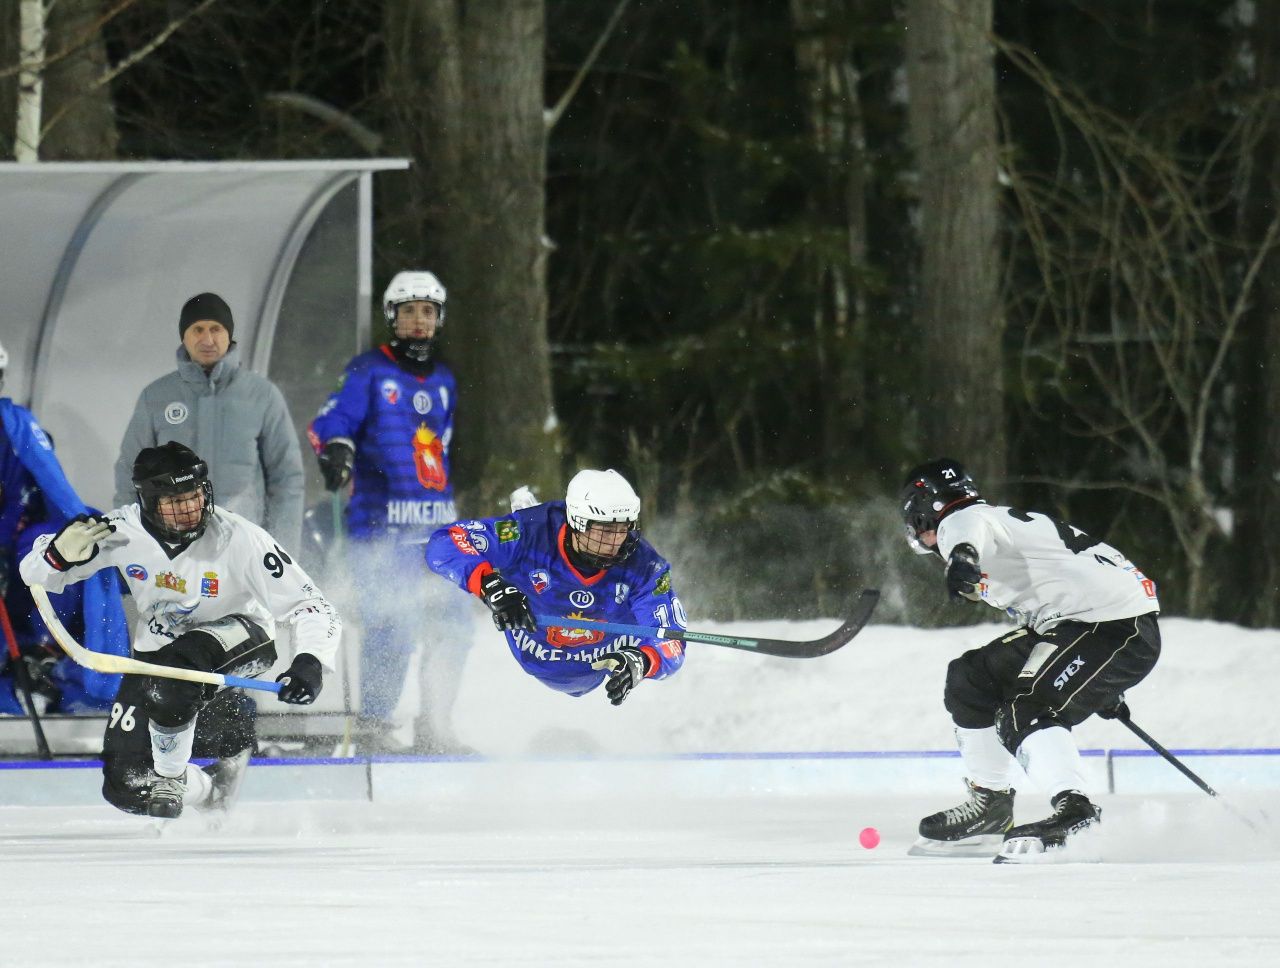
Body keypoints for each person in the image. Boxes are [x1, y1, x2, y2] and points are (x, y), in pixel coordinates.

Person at [21, 441, 339, 820]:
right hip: (159, 658)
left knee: (180, 668)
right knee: (124, 783)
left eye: (194, 497)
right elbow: (33, 574)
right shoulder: (120, 531)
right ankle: (212, 789)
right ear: (147, 502)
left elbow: (312, 604)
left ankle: (170, 777)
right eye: (175, 502)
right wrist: (56, 553)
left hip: (245, 638)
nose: (190, 510)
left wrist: (311, 660)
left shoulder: (241, 537)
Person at [899, 458, 1161, 863]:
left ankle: (1077, 812)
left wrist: (963, 559)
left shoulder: (960, 519)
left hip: (1105, 625)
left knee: (1028, 706)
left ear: (924, 512)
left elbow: (962, 534)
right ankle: (990, 807)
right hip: (1086, 623)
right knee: (972, 678)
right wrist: (1098, 683)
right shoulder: (999, 521)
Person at [308, 270, 471, 753]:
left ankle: (435, 727)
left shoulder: (444, 380)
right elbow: (331, 420)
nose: (418, 321)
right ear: (391, 318)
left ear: (438, 320)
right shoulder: (369, 371)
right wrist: (337, 449)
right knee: (391, 625)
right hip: (379, 532)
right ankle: (374, 730)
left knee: (453, 626)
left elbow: (440, 450)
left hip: (436, 536)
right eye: (407, 312)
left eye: (427, 312)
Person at [425, 468, 688, 704]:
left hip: (595, 668)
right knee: (517, 556)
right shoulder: (527, 532)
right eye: (605, 531)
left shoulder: (645, 567)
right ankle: (515, 549)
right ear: (577, 523)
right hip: (536, 651)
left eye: (623, 530)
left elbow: (672, 639)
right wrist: (489, 585)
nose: (615, 542)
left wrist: (642, 661)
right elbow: (446, 542)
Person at [113, 292, 304, 549]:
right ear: (184, 336)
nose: (208, 339)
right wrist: (132, 543)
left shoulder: (262, 395)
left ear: (229, 335)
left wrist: (283, 551)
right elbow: (129, 472)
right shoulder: (156, 396)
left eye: (216, 329)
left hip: (243, 544)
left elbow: (286, 479)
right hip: (173, 546)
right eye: (197, 329)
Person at [1, 338, 130, 712]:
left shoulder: (15, 425)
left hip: (16, 547)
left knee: (63, 546)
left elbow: (47, 488)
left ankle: (48, 665)